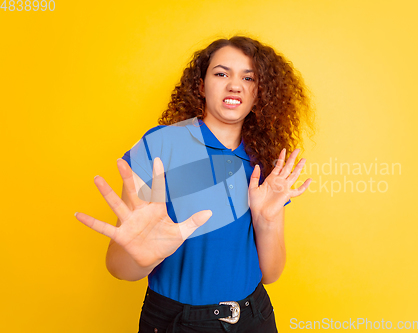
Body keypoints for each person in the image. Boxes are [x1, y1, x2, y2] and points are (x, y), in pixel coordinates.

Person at [75, 36, 314, 333]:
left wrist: (265, 221)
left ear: (259, 94)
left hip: (256, 316)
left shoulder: (264, 159)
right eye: (221, 73)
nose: (234, 85)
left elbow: (271, 273)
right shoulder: (160, 145)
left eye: (248, 77)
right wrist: (141, 255)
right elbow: (120, 268)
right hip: (177, 321)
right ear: (200, 86)